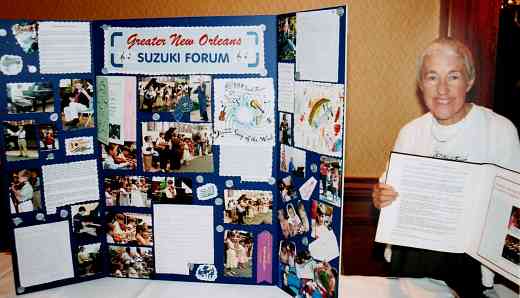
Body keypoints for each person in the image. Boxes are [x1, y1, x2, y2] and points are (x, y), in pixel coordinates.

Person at [372, 37, 520, 298]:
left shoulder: (500, 131)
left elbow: (513, 211)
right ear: (421, 84)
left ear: (470, 81)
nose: (442, 89)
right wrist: (381, 197)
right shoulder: (410, 132)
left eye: (453, 76)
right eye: (432, 77)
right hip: (413, 256)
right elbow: (388, 193)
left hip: (468, 262)